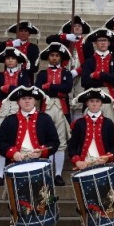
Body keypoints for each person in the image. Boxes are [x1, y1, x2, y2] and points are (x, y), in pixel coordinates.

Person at [0, 86, 60, 226]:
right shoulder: (9, 120)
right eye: (23, 99)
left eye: (30, 99)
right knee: (16, 206)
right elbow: (0, 143)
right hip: (15, 168)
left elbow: (54, 142)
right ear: (18, 102)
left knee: (36, 205)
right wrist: (12, 152)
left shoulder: (45, 119)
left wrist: (42, 152)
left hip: (38, 167)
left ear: (35, 101)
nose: (27, 101)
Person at [67, 89, 114, 226]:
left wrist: (108, 157)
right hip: (85, 168)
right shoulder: (79, 123)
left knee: (103, 205)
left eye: (97, 102)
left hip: (102, 168)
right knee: (87, 206)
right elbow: (72, 147)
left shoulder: (108, 123)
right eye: (91, 102)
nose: (94, 104)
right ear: (87, 104)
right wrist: (77, 160)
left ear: (101, 104)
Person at [0, 47, 32, 185]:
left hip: (17, 107)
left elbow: (25, 91)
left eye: (13, 58)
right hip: (2, 108)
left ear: (17, 61)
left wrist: (6, 88)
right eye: (8, 58)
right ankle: (0, 174)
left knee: (17, 140)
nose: (10, 60)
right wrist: (13, 89)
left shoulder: (23, 75)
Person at [35, 43, 74, 186]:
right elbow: (39, 90)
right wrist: (56, 89)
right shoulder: (42, 73)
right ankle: (47, 172)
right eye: (52, 55)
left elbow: (67, 87)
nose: (54, 58)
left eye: (57, 55)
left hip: (62, 108)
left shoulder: (66, 73)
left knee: (61, 142)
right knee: (46, 140)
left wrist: (49, 86)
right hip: (46, 107)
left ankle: (58, 174)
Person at [81, 28, 114, 141]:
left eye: (105, 40)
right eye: (100, 40)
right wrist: (108, 78)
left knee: (110, 128)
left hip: (111, 97)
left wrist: (98, 74)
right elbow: (85, 81)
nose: (103, 42)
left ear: (109, 43)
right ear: (95, 43)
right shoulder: (89, 61)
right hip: (93, 97)